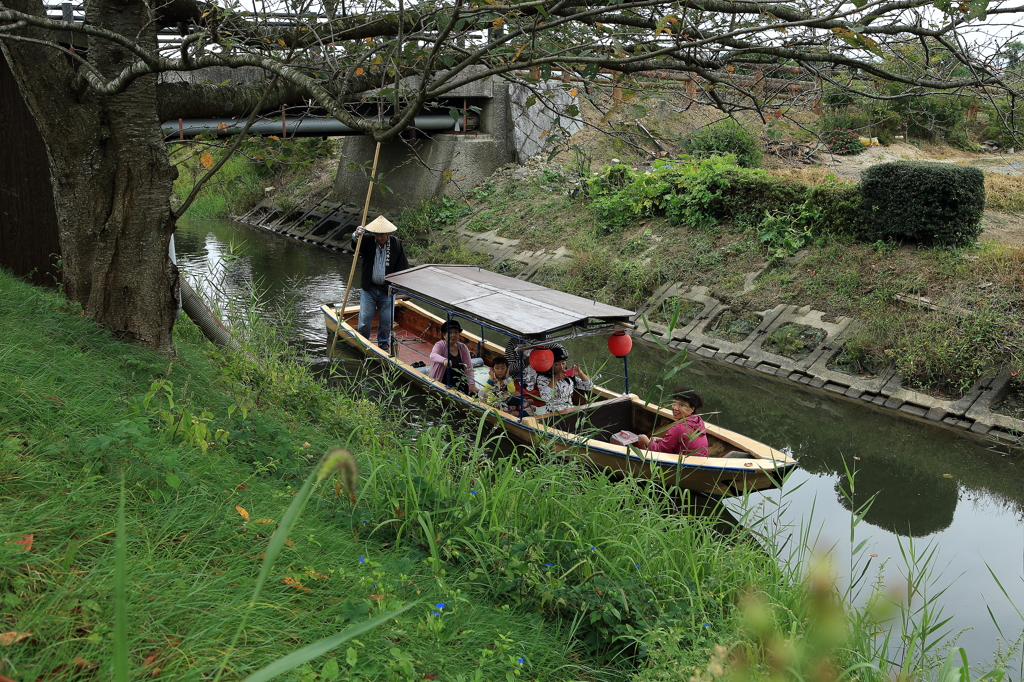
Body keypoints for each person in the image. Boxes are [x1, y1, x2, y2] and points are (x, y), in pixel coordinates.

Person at [351, 215, 410, 350]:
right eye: (377, 235)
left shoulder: (396, 244)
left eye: (382, 235)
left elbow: (402, 267)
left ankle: (383, 342)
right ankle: (362, 341)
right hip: (369, 288)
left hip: (387, 290)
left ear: (387, 234)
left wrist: (397, 286)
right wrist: (356, 234)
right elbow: (356, 243)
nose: (379, 238)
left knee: (386, 320)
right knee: (365, 319)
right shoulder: (368, 241)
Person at [636, 389, 709, 457]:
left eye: (681, 405)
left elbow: (659, 451)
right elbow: (684, 443)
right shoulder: (698, 420)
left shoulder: (679, 428)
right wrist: (662, 440)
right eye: (674, 403)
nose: (675, 408)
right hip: (698, 463)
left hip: (685, 467)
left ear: (691, 409)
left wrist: (646, 441)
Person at [538, 347, 592, 412]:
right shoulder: (542, 378)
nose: (561, 367)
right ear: (550, 365)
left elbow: (589, 386)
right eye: (557, 364)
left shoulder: (568, 375)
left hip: (570, 410)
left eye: (563, 363)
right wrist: (555, 378)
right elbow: (545, 397)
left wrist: (580, 373)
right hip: (554, 413)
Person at [429, 320, 476, 395]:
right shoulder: (440, 345)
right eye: (450, 333)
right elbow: (433, 355)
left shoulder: (462, 347)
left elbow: (468, 367)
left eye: (456, 332)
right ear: (444, 334)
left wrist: (471, 384)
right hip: (442, 381)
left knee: (474, 394)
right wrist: (444, 360)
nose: (453, 335)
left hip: (459, 381)